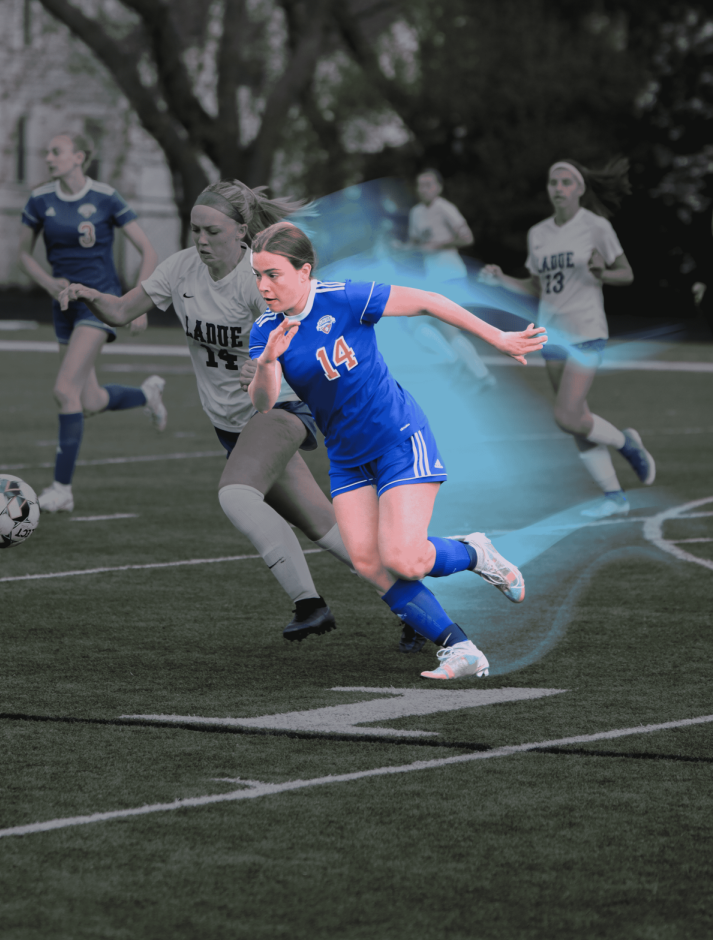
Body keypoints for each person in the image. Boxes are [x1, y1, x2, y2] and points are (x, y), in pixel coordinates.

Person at [58, 180, 358, 642]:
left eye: (211, 231)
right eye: (195, 229)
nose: (200, 239)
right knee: (322, 523)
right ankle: (415, 599)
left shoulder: (261, 279)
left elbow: (304, 341)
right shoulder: (181, 270)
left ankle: (310, 604)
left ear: (241, 232)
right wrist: (87, 294)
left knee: (236, 494)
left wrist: (264, 367)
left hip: (280, 409)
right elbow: (120, 311)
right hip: (231, 425)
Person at [248, 221, 547, 681]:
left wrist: (497, 337)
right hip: (348, 457)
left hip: (399, 439)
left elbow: (429, 301)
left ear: (304, 271)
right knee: (368, 561)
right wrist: (268, 360)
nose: (263, 286)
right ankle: (460, 649)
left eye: (273, 274)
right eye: (257, 275)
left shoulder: (344, 298)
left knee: (405, 558)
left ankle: (474, 552)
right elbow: (264, 403)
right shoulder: (266, 329)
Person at [479, 159, 655, 518]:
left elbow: (627, 274)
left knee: (565, 415)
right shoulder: (538, 233)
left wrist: (603, 272)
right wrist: (501, 280)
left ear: (579, 189)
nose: (557, 188)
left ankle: (627, 445)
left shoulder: (596, 226)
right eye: (552, 182)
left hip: (588, 331)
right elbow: (535, 286)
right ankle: (614, 497)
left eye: (565, 182)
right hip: (552, 335)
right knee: (577, 419)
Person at [19, 132, 167, 513]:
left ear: (79, 157)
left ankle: (62, 490)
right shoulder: (40, 200)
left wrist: (139, 302)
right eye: (47, 151)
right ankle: (145, 396)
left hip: (98, 305)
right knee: (89, 400)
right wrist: (48, 283)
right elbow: (23, 255)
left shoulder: (105, 197)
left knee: (64, 389)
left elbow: (148, 249)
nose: (48, 157)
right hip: (63, 307)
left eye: (56, 151)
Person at [400, 169, 495, 391]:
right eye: (420, 185)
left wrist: (440, 244)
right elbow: (415, 244)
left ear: (439, 187)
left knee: (420, 324)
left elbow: (467, 237)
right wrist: (400, 248)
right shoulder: (416, 212)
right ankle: (481, 375)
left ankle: (456, 363)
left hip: (451, 275)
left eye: (428, 184)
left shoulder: (445, 208)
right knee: (433, 328)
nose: (423, 189)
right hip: (433, 279)